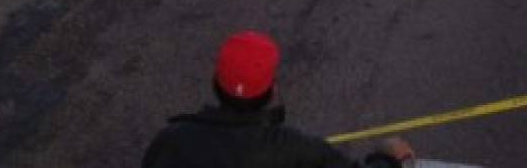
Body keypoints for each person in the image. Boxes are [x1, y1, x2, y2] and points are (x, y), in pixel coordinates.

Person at [141, 31, 414, 168]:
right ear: (271, 91)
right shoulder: (294, 148)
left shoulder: (170, 140)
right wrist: (389, 157)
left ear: (216, 83)